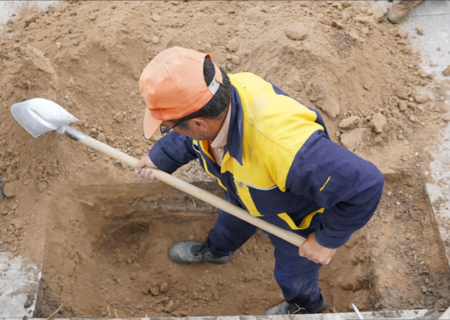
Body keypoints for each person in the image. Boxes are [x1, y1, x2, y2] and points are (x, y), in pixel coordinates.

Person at [135, 47, 384, 315]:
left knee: (293, 276)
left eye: (167, 126)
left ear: (198, 125)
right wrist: (160, 158)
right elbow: (189, 137)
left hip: (294, 217)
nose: (168, 130)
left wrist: (326, 240)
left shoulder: (288, 150)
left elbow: (366, 186)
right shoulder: (216, 98)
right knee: (227, 225)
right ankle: (217, 251)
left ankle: (307, 306)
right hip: (245, 192)